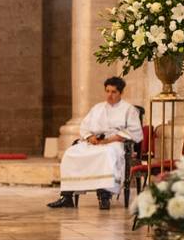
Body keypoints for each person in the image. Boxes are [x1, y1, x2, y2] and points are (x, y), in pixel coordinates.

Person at [49, 76, 142, 210]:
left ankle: (104, 196)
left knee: (106, 153)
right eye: (107, 91)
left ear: (121, 93)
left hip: (115, 143)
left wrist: (110, 140)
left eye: (113, 92)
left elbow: (135, 132)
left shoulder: (129, 109)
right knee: (71, 153)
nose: (110, 95)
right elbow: (84, 127)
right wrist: (90, 136)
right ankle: (67, 196)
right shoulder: (97, 108)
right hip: (94, 142)